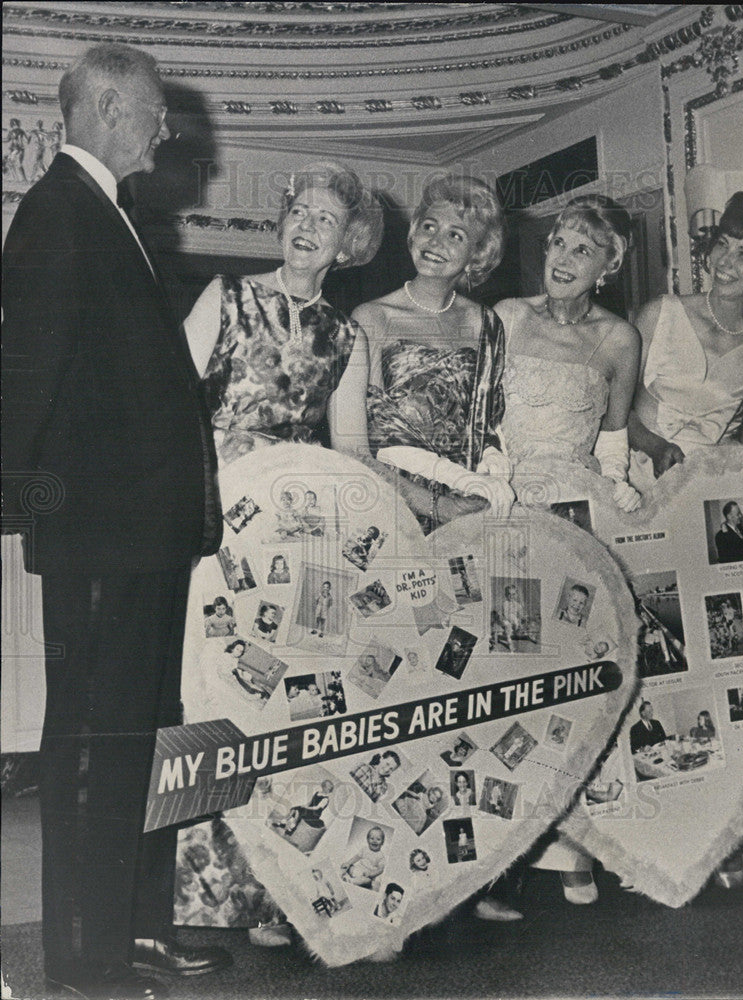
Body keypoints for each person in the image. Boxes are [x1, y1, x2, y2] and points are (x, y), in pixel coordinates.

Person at [1, 44, 231, 998]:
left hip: (139, 538)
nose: (165, 130)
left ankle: (132, 930)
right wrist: (43, 518)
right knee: (95, 749)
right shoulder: (54, 213)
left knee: (139, 735)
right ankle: (84, 965)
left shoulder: (105, 213)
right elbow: (22, 392)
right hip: (103, 538)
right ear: (101, 105)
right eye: (150, 113)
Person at [185, 159, 384, 467]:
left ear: (346, 247)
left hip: (289, 494)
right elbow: (170, 398)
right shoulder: (226, 295)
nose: (306, 225)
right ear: (283, 225)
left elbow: (353, 454)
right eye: (299, 212)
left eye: (325, 220)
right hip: (205, 478)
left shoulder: (347, 338)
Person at [353, 173, 515, 533]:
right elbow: (367, 442)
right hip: (394, 503)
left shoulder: (485, 323)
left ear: (478, 252)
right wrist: (440, 504)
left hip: (470, 506)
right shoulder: (372, 318)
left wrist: (492, 460)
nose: (435, 241)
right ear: (413, 232)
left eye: (456, 235)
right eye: (429, 226)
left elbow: (488, 422)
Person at [628, 189, 743, 486]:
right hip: (640, 472)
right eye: (722, 244)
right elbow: (612, 409)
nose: (725, 262)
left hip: (714, 486)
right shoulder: (658, 314)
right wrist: (655, 446)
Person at [496, 194, 642, 513]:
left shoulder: (621, 339)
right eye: (559, 243)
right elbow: (480, 421)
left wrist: (616, 482)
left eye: (582, 251)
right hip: (501, 495)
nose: (563, 260)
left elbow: (613, 435)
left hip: (574, 501)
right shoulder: (509, 316)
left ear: (608, 266)